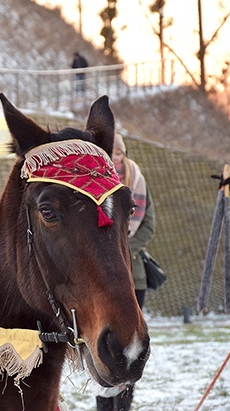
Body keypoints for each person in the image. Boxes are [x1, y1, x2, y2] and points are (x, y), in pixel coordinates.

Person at [95, 134, 156, 411]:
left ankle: (125, 403)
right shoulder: (94, 183)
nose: (116, 157)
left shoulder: (138, 182)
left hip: (134, 271)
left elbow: (149, 227)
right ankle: (104, 404)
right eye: (112, 153)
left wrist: (123, 249)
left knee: (130, 340)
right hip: (102, 271)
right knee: (104, 341)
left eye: (120, 152)